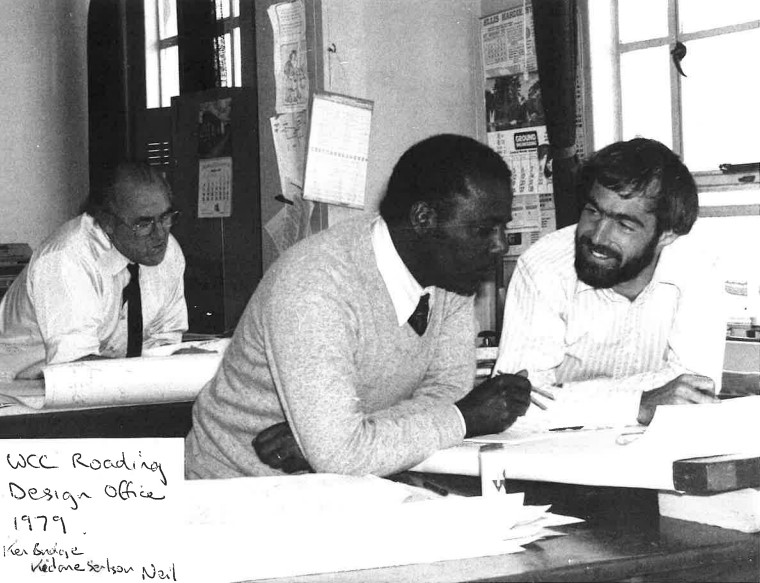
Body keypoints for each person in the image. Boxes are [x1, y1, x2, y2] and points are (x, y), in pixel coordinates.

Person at [185, 134, 532, 479]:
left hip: (335, 488)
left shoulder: (452, 278)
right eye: (484, 229)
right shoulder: (315, 285)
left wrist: (338, 441)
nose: (500, 245)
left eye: (503, 227)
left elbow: (445, 393)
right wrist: (465, 419)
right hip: (232, 493)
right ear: (424, 219)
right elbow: (345, 456)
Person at [493, 138, 726, 429]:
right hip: (553, 455)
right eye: (593, 212)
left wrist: (569, 397)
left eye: (624, 225)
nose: (598, 237)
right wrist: (638, 404)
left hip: (648, 452)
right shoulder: (543, 267)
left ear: (667, 235)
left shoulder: (698, 269)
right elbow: (510, 404)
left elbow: (693, 395)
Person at [0, 161, 188, 380]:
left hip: (105, 385)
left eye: (165, 218)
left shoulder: (167, 252)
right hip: (19, 393)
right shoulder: (67, 258)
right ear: (107, 222)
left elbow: (163, 343)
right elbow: (76, 368)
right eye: (143, 224)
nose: (160, 234)